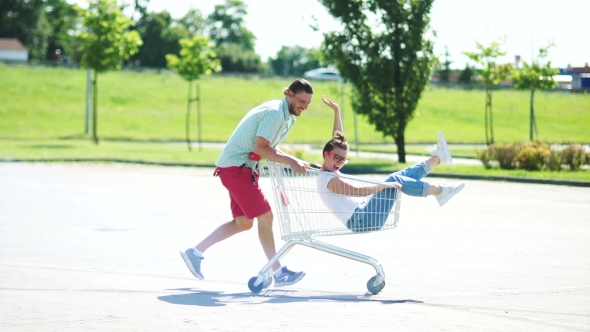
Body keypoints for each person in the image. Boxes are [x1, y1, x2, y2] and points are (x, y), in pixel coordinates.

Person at [181, 79, 314, 288]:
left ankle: (194, 252)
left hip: (241, 169)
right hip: (237, 169)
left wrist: (293, 161)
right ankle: (278, 272)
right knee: (266, 216)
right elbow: (261, 148)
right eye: (301, 101)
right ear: (288, 93)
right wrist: (291, 160)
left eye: (308, 103)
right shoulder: (274, 113)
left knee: (243, 222)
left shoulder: (286, 116)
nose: (304, 107)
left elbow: (267, 148)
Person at [317, 96, 466, 233]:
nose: (340, 162)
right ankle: (440, 189)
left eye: (344, 159)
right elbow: (358, 191)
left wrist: (336, 111)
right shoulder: (329, 180)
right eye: (337, 158)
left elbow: (338, 142)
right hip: (361, 219)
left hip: (364, 212)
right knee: (394, 180)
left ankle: (437, 161)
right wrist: (384, 185)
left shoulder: (329, 169)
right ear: (326, 154)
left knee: (396, 178)